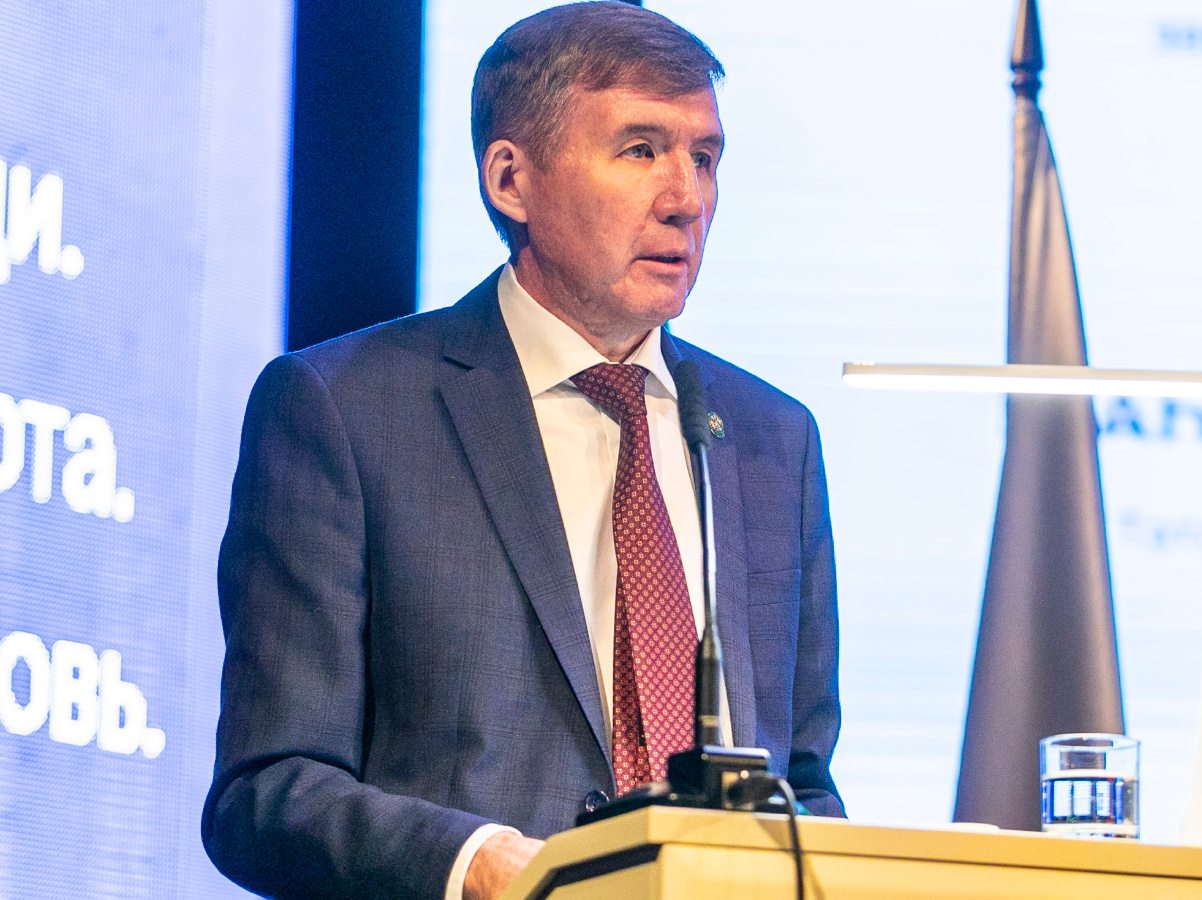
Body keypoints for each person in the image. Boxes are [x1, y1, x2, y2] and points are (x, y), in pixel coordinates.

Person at [200, 5, 844, 900]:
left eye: (704, 158)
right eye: (641, 150)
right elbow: (267, 791)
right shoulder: (343, 411)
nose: (687, 199)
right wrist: (478, 865)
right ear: (511, 179)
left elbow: (803, 783)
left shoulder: (773, 439)